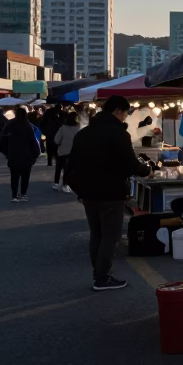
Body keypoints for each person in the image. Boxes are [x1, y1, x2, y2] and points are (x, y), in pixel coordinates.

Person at [66, 95, 152, 291]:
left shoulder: (84, 134)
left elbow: (71, 167)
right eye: (125, 114)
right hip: (111, 193)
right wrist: (147, 170)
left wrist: (80, 190)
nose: (125, 118)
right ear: (117, 111)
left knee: (96, 234)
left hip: (88, 194)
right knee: (110, 236)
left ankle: (98, 274)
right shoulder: (119, 134)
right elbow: (131, 164)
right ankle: (102, 278)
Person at [0, 107, 42, 202]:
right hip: (27, 156)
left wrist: (7, 153)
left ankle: (14, 195)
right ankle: (23, 194)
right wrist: (35, 154)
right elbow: (33, 142)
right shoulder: (28, 126)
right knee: (25, 176)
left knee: (14, 176)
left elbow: (2, 143)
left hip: (13, 155)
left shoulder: (9, 125)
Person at [53, 111, 81, 191]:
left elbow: (56, 140)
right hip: (74, 151)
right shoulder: (79, 127)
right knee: (69, 169)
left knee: (59, 167)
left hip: (62, 151)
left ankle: (56, 183)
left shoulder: (63, 128)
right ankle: (66, 184)